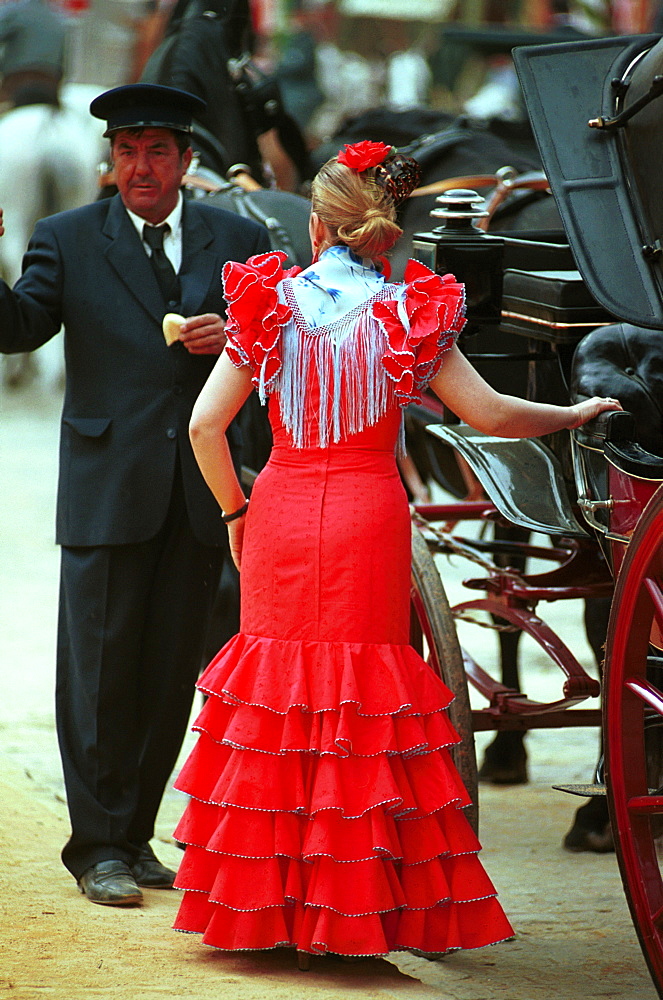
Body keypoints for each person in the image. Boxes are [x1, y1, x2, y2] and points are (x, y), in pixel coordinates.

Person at [171, 140, 622, 963]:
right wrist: (572, 415)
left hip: (280, 504)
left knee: (276, 693)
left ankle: (263, 911)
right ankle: (353, 911)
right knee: (358, 702)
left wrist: (235, 512)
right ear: (383, 229)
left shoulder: (269, 304)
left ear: (314, 224)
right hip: (367, 511)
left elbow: (204, 427)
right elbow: (487, 414)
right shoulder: (405, 313)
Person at [0, 82, 271, 906]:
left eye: (157, 152)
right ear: (109, 162)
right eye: (126, 153)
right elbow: (17, 329)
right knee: (97, 674)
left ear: (187, 162)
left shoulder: (238, 236)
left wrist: (243, 333)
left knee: (166, 673)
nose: (141, 167)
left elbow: (281, 340)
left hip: (199, 488)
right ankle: (97, 850)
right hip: (107, 485)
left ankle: (138, 837)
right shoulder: (67, 237)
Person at [0, 0, 67, 108]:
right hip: (50, 81)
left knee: (10, 115)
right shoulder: (56, 18)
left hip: (18, 77)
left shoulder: (16, 11)